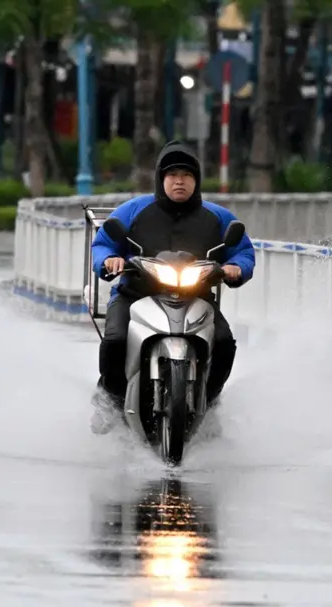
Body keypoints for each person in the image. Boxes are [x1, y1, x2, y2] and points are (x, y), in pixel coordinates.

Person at [89, 140, 256, 433]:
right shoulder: (133, 210)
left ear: (197, 180)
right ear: (160, 178)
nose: (180, 180)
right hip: (136, 293)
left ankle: (210, 400)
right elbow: (103, 242)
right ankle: (110, 402)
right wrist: (110, 260)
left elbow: (242, 251)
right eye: (172, 174)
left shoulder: (217, 217)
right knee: (114, 340)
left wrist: (235, 268)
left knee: (225, 342)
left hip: (196, 297)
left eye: (187, 175)